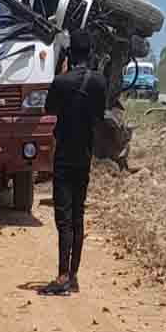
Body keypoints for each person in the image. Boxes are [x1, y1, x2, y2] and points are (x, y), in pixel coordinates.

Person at [39, 30, 106, 295]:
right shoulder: (99, 82)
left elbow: (48, 109)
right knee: (78, 216)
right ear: (90, 54)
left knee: (63, 219)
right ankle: (74, 275)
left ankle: (62, 276)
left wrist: (61, 71)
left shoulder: (61, 82)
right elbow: (99, 116)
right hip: (84, 156)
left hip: (64, 157)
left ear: (69, 53)